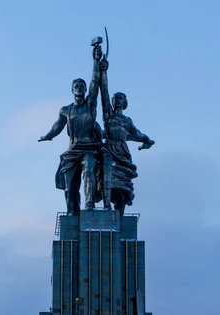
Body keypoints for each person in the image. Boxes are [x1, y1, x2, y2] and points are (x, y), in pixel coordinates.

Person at [39, 44, 104, 215]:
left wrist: (95, 61)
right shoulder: (66, 110)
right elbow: (58, 126)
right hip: (72, 151)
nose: (80, 89)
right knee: (69, 187)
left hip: (88, 149)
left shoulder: (90, 105)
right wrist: (47, 136)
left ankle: (89, 204)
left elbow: (95, 82)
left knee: (89, 170)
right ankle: (72, 212)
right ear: (72, 89)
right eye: (77, 86)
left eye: (82, 87)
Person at [99, 58, 155, 214]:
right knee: (107, 174)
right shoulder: (108, 115)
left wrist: (147, 140)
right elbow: (104, 91)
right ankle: (106, 206)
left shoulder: (127, 120)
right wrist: (104, 72)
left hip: (123, 152)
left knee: (124, 184)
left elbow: (136, 134)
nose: (117, 100)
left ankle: (120, 211)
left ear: (125, 103)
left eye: (120, 98)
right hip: (109, 149)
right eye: (115, 98)